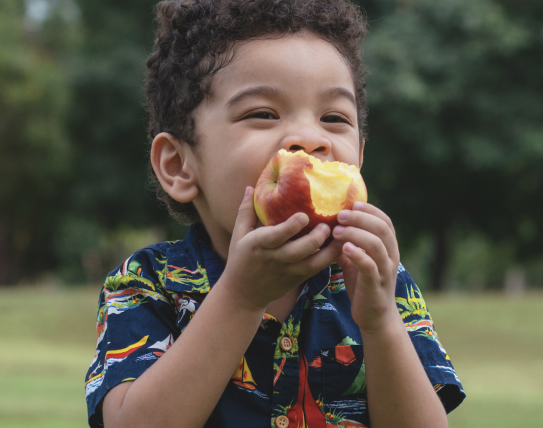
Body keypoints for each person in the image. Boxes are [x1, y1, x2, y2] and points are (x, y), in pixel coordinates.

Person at [83, 1, 466, 427]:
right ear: (179, 165)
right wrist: (242, 297)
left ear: (357, 157)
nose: (309, 138)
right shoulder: (148, 284)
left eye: (334, 117)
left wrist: (379, 324)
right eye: (263, 113)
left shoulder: (383, 285)